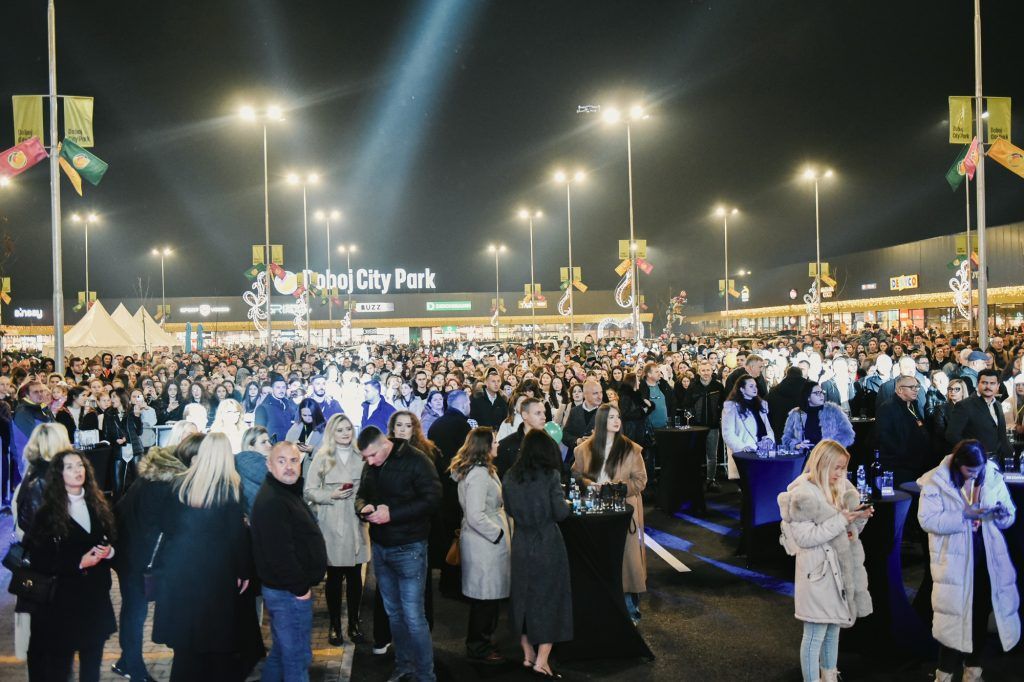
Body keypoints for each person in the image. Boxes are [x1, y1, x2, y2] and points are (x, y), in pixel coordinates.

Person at [152, 432, 259, 681]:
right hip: (216, 577)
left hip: (181, 575)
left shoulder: (179, 484)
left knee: (186, 652)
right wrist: (244, 571)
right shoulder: (228, 489)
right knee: (218, 648)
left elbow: (166, 525)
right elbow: (236, 537)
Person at [918, 439, 1020, 682]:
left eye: (978, 469)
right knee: (952, 616)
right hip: (954, 560)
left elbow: (1009, 513)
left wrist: (1002, 515)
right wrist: (963, 514)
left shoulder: (991, 475)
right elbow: (927, 521)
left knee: (981, 612)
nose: (975, 474)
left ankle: (973, 670)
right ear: (958, 465)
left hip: (986, 557)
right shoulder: (936, 481)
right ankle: (944, 673)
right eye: (969, 471)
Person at [778, 440, 873, 682]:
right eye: (837, 467)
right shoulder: (801, 494)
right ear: (822, 464)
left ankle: (829, 675)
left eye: (844, 468)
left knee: (833, 628)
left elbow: (849, 532)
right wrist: (842, 520)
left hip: (839, 571)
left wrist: (859, 519)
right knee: (814, 635)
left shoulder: (841, 487)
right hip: (816, 573)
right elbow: (806, 538)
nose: (841, 473)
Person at [355, 426, 442, 682]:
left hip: (410, 547)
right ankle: (404, 664)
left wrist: (392, 513)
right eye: (366, 458)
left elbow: (433, 499)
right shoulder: (371, 464)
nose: (369, 462)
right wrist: (364, 507)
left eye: (372, 456)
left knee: (414, 617)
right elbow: (361, 494)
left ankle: (426, 674)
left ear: (385, 445)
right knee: (394, 614)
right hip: (381, 548)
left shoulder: (416, 460)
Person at [24, 449, 117, 682]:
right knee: (59, 668)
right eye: (70, 467)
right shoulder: (47, 514)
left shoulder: (98, 504)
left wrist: (110, 552)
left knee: (92, 667)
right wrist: (77, 562)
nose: (78, 471)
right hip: (62, 605)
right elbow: (39, 559)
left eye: (81, 465)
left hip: (95, 601)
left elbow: (113, 539)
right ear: (59, 474)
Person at [112, 439, 190, 682]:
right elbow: (172, 525)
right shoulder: (165, 485)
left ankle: (127, 661)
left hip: (128, 552)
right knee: (135, 613)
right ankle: (133, 669)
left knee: (133, 610)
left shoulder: (151, 477)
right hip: (140, 558)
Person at [251, 442, 328, 682]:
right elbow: (279, 553)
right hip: (288, 594)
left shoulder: (284, 492)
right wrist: (300, 589)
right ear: (269, 464)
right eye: (281, 461)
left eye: (294, 461)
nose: (289, 467)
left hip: (285, 591)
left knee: (282, 654)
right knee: (297, 660)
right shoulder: (274, 500)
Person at [502, 429, 572, 679]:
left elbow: (508, 508)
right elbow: (561, 513)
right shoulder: (550, 475)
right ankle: (542, 661)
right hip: (547, 543)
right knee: (550, 600)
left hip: (521, 541)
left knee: (522, 599)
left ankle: (527, 654)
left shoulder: (510, 476)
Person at [572, 404, 648, 624]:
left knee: (626, 562)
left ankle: (630, 610)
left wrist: (616, 488)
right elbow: (575, 475)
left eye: (618, 417)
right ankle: (600, 610)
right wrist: (589, 484)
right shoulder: (583, 449)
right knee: (599, 559)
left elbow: (640, 481)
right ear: (601, 421)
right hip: (594, 511)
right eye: (611, 417)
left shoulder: (632, 449)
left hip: (624, 512)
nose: (616, 421)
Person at [304, 413, 369, 646]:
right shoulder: (322, 457)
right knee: (333, 577)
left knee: (354, 577)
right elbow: (309, 490)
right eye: (340, 430)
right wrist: (331, 494)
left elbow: (369, 487)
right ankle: (334, 625)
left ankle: (353, 624)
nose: (345, 433)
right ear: (332, 432)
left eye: (348, 429)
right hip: (331, 522)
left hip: (355, 520)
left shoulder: (360, 456)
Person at [449, 427, 511, 663]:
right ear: (484, 446)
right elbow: (475, 515)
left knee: (487, 597)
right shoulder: (478, 474)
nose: (498, 445)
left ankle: (483, 641)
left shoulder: (481, 471)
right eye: (494, 441)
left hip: (485, 541)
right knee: (485, 598)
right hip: (485, 544)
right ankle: (478, 646)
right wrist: (497, 534)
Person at [875, 374, 932, 485]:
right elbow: (885, 438)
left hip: (917, 464)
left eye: (917, 387)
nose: (916, 390)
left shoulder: (913, 405)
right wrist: (905, 455)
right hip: (899, 466)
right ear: (900, 389)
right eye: (912, 387)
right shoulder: (887, 408)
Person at [945, 369, 1012, 462]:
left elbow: (1002, 435)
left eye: (992, 383)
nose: (988, 386)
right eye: (984, 383)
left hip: (999, 460)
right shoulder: (964, 405)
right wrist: (972, 452)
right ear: (978, 384)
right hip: (975, 461)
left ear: (998, 386)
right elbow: (952, 435)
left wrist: (1009, 455)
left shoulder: (998, 405)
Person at [722, 375, 775, 479]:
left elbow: (768, 428)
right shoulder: (731, 407)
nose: (755, 389)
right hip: (745, 453)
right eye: (751, 386)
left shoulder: (762, 405)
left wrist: (769, 439)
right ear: (741, 389)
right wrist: (742, 447)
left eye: (755, 386)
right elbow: (728, 433)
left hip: (763, 451)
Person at [683, 360, 725, 490]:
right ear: (699, 372)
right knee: (695, 454)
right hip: (697, 427)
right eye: (703, 370)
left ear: (712, 371)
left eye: (708, 370)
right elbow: (687, 405)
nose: (706, 373)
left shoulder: (718, 387)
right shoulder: (693, 387)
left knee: (712, 456)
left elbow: (724, 405)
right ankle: (694, 480)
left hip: (713, 426)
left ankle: (710, 480)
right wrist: (690, 419)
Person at [782, 383, 855, 451]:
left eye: (822, 392)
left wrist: (831, 449)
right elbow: (786, 439)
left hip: (828, 458)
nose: (821, 395)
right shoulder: (796, 414)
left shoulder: (833, 411)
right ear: (808, 397)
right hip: (805, 458)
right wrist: (797, 445)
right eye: (817, 393)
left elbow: (848, 434)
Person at [12, 381, 54, 490]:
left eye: (41, 391)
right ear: (26, 395)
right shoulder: (23, 411)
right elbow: (35, 437)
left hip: (44, 458)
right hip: (29, 463)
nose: (40, 394)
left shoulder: (41, 408)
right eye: (36, 392)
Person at [104, 387, 144, 500]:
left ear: (121, 398)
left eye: (114, 397)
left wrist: (137, 417)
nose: (111, 400)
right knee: (117, 486)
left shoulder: (132, 410)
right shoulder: (109, 412)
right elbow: (106, 434)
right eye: (110, 397)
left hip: (135, 450)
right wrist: (116, 440)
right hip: (118, 451)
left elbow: (139, 431)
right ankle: (117, 512)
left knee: (138, 485)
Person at [496, 397, 548, 479]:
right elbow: (502, 478)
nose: (544, 417)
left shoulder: (550, 444)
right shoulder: (506, 446)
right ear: (524, 415)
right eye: (538, 413)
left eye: (544, 413)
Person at [561, 379, 603, 468]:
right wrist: (577, 441)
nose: (600, 396)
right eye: (595, 393)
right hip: (577, 462)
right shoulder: (574, 411)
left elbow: (617, 436)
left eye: (601, 393)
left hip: (600, 462)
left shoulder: (607, 411)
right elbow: (565, 434)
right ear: (585, 395)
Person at [235, 425, 272, 516]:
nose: (270, 445)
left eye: (269, 441)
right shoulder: (258, 466)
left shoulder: (240, 463)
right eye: (263, 442)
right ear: (250, 447)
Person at [767, 367, 808, 439]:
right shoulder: (809, 389)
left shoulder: (775, 391)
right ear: (801, 374)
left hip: (780, 432)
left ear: (786, 374)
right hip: (803, 433)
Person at [255, 375, 297, 443]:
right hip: (272, 449)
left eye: (283, 387)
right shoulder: (263, 408)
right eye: (278, 387)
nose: (281, 390)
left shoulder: (288, 404)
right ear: (272, 389)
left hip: (288, 446)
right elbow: (259, 435)